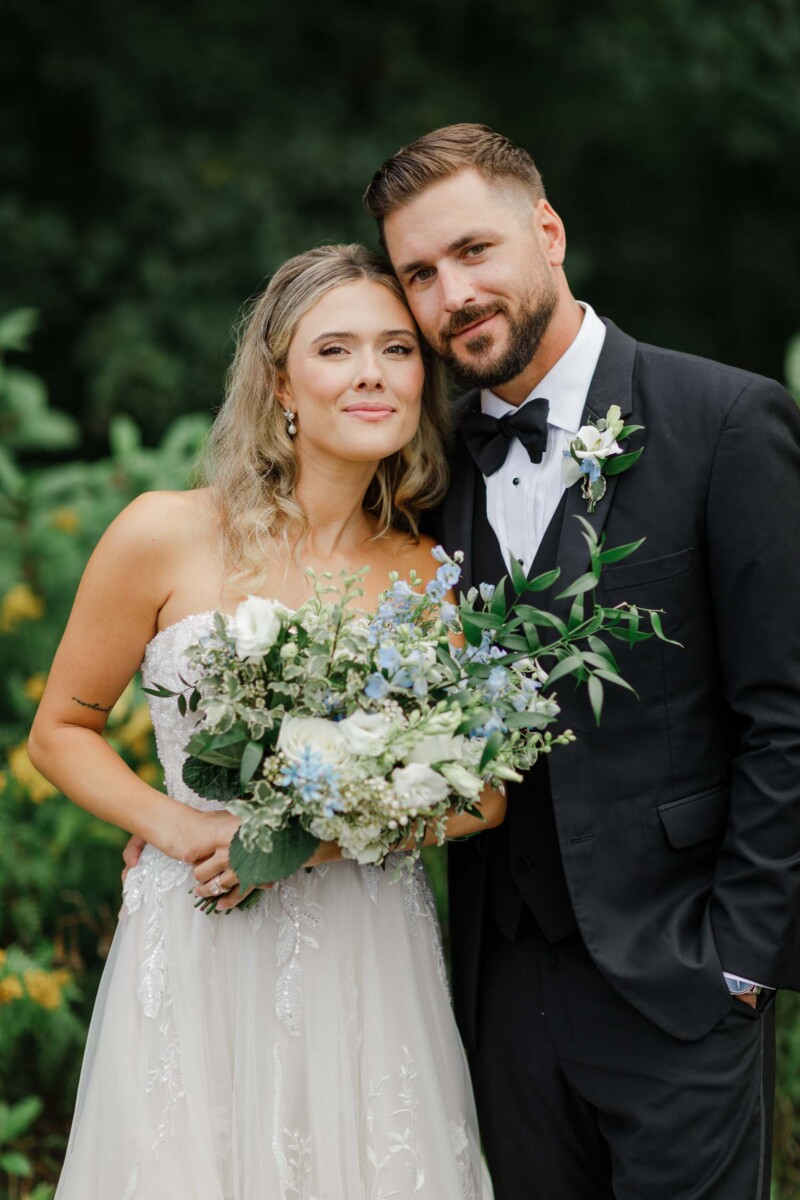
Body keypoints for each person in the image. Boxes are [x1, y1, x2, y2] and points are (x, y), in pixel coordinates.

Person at [362, 124, 800, 1199]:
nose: (450, 293)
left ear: (546, 233)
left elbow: (785, 715)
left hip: (680, 983)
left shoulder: (726, 421)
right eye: (418, 274)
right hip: (491, 990)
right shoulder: (419, 473)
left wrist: (740, 963)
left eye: (472, 251)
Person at [28, 243, 502, 1200]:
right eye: (336, 350)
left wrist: (315, 842)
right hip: (198, 936)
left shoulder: (433, 576)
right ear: (280, 382)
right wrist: (185, 828)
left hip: (366, 952)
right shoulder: (164, 532)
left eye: (398, 350)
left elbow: (481, 795)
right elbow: (60, 731)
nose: (372, 372)